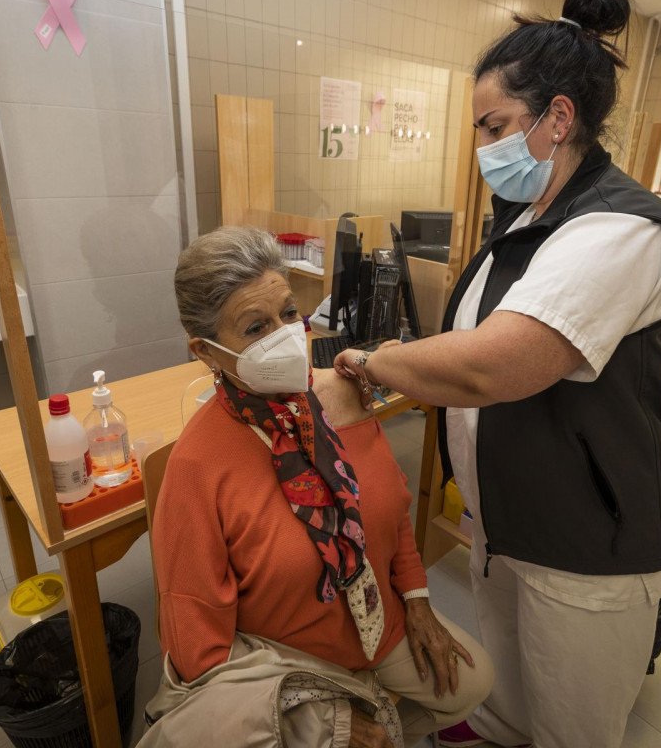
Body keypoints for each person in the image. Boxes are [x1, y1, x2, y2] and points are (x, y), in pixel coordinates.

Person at [335, 0, 661, 748]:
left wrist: (373, 363)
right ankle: (501, 722)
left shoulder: (621, 232)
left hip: (588, 536)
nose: (481, 145)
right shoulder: (531, 214)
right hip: (507, 511)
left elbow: (491, 367)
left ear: (557, 118)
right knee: (506, 655)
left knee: (573, 714)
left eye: (493, 124)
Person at [150, 226, 493, 747]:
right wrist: (314, 721)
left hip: (372, 615)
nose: (284, 336)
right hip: (281, 658)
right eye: (255, 327)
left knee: (472, 684)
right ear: (207, 351)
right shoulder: (198, 465)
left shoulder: (336, 398)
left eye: (288, 314)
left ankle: (380, 715)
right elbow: (200, 648)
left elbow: (392, 512)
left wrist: (417, 599)